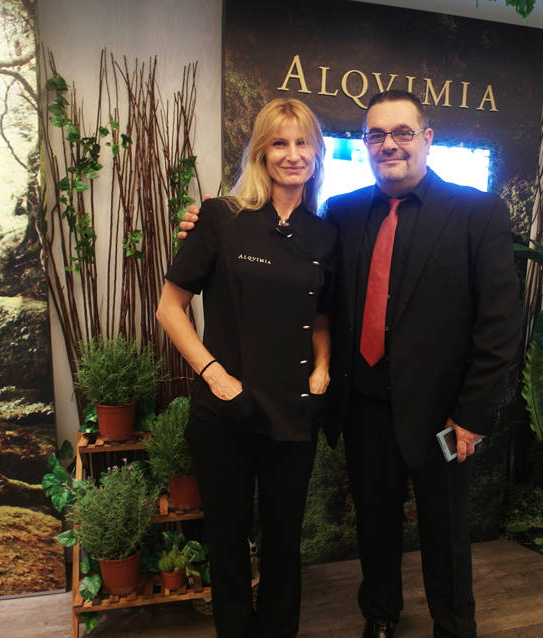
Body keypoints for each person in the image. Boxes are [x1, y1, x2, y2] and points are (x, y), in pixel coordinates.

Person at [181, 90, 520, 638]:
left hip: (443, 416)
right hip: (364, 406)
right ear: (364, 145)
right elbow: (311, 292)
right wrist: (204, 221)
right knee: (375, 522)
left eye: (403, 132)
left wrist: (473, 415)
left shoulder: (476, 212)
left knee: (446, 529)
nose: (390, 145)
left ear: (427, 139)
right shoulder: (343, 213)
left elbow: (500, 324)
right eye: (376, 135)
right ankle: (380, 616)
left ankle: (455, 627)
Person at [157, 98, 337, 638]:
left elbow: (321, 316)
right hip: (224, 414)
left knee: (284, 543)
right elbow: (170, 307)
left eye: (303, 143)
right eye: (279, 142)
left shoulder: (324, 235)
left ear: (317, 153)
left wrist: (322, 369)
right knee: (227, 541)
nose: (292, 154)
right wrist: (214, 375)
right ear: (260, 151)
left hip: (293, 412)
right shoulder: (221, 217)